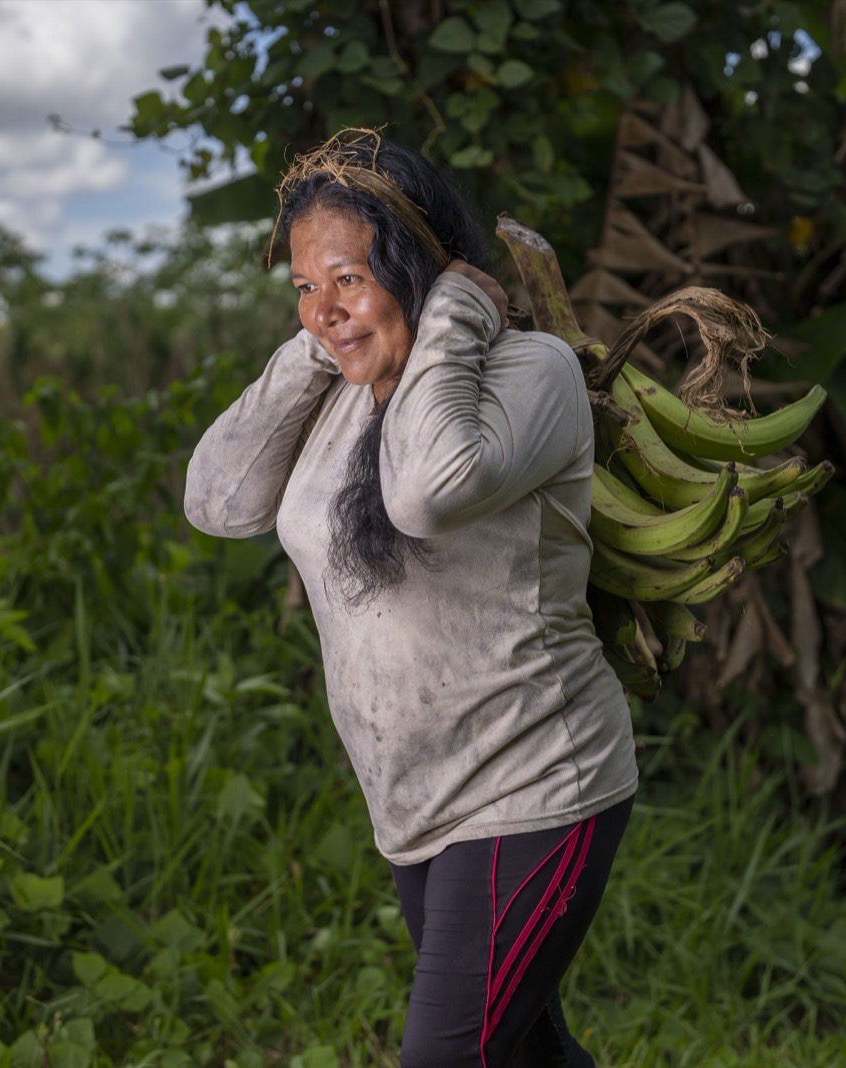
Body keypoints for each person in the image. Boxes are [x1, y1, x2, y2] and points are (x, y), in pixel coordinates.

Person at [183, 128, 639, 1068]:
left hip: (532, 785)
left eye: (349, 278)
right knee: (523, 1052)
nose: (324, 308)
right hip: (414, 806)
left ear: (420, 265)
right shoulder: (343, 391)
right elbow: (217, 501)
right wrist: (321, 346)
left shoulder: (531, 374)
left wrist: (453, 316)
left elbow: (427, 494)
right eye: (304, 288)